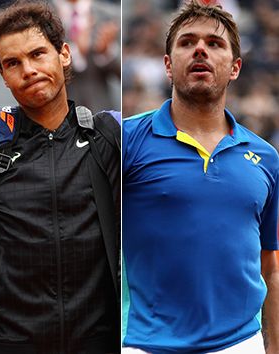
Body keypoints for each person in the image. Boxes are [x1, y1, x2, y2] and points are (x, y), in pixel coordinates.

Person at [0, 1, 120, 352]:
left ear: (64, 54)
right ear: (3, 76)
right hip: (3, 343)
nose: (29, 70)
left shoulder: (109, 135)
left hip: (95, 341)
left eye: (38, 54)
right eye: (13, 63)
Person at [122, 1, 279, 353]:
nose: (200, 50)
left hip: (242, 344)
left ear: (235, 67)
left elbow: (271, 268)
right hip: (145, 345)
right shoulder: (126, 142)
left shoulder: (267, 158)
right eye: (187, 41)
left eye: (215, 43)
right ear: (167, 63)